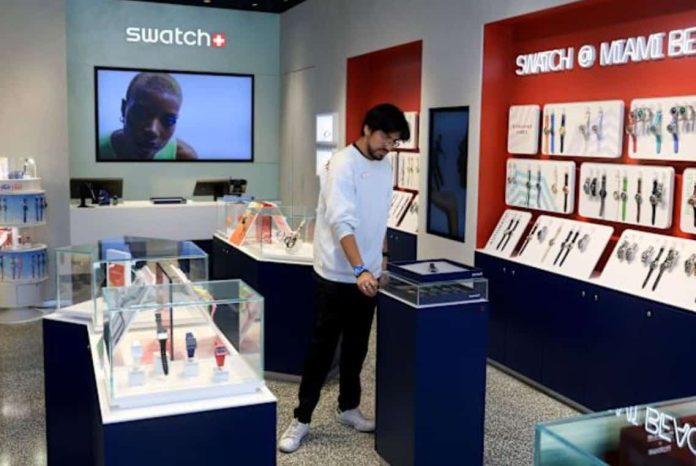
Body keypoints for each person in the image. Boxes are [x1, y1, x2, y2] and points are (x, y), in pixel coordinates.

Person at [279, 103, 410, 454]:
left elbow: (380, 219)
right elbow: (342, 223)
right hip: (337, 275)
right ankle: (301, 418)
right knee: (322, 351)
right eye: (385, 138)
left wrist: (380, 260)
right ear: (367, 129)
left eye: (395, 142)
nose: (388, 147)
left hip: (367, 275)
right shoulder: (342, 165)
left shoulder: (385, 166)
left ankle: (348, 407)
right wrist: (359, 269)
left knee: (357, 347)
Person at [99, 72, 197, 160]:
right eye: (141, 114)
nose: (152, 130)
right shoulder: (95, 149)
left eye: (168, 120)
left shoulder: (182, 157)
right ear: (123, 108)